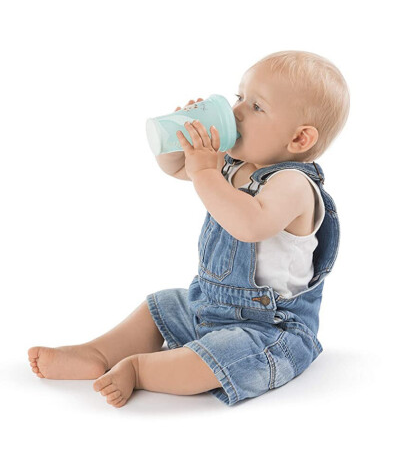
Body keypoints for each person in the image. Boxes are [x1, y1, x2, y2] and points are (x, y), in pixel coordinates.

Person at [28, 50, 350, 407]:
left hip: (269, 328)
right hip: (209, 306)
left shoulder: (293, 185)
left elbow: (249, 224)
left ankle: (140, 370)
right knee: (162, 305)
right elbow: (178, 168)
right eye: (240, 97)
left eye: (256, 106)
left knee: (225, 355)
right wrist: (181, 139)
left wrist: (206, 171)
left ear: (300, 139)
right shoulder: (234, 164)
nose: (236, 111)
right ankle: (98, 352)